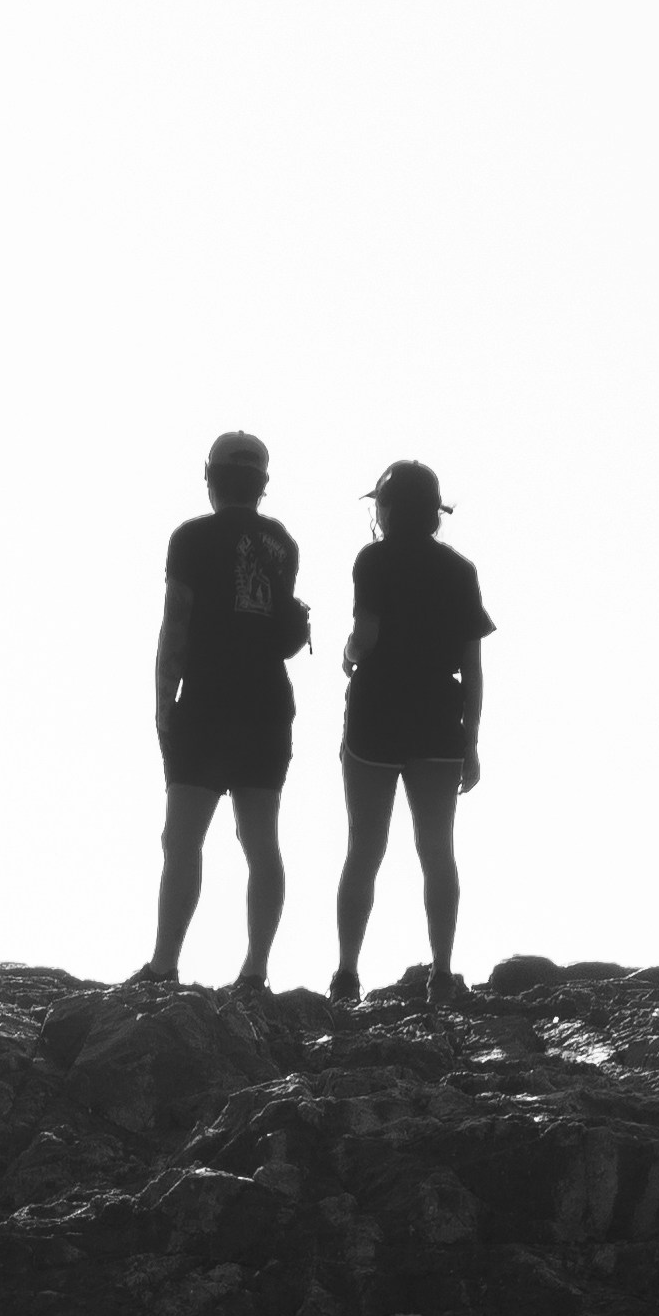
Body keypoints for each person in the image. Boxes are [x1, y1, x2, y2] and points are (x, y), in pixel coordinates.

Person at [149, 430, 309, 990]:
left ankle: (164, 964)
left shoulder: (191, 538)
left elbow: (177, 621)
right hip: (267, 702)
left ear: (212, 478)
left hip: (209, 701)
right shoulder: (282, 542)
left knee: (182, 838)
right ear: (261, 486)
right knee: (260, 839)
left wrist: (164, 704)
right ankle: (255, 968)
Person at [332, 460, 492, 1006]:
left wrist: (348, 656)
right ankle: (442, 974)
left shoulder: (373, 560)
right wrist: (471, 741)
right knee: (437, 850)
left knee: (364, 850)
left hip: (376, 714)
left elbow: (367, 635)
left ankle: (347, 975)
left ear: (387, 507)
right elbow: (472, 666)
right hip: (437, 720)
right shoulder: (459, 570)